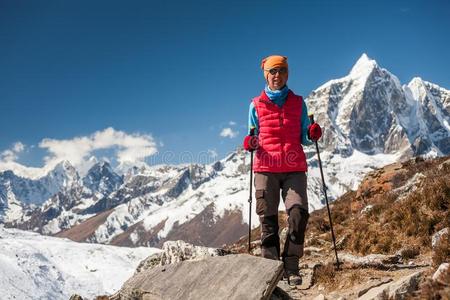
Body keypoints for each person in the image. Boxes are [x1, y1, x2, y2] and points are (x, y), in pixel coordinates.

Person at [243, 55, 322, 286]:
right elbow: (252, 136)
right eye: (272, 72)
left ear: (287, 74)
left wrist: (312, 134)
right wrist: (250, 142)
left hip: (294, 168)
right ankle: (271, 271)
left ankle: (291, 266)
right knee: (268, 221)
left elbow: (306, 136)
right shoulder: (255, 105)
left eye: (281, 71)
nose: (277, 76)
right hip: (265, 168)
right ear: (265, 75)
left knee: (298, 215)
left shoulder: (299, 102)